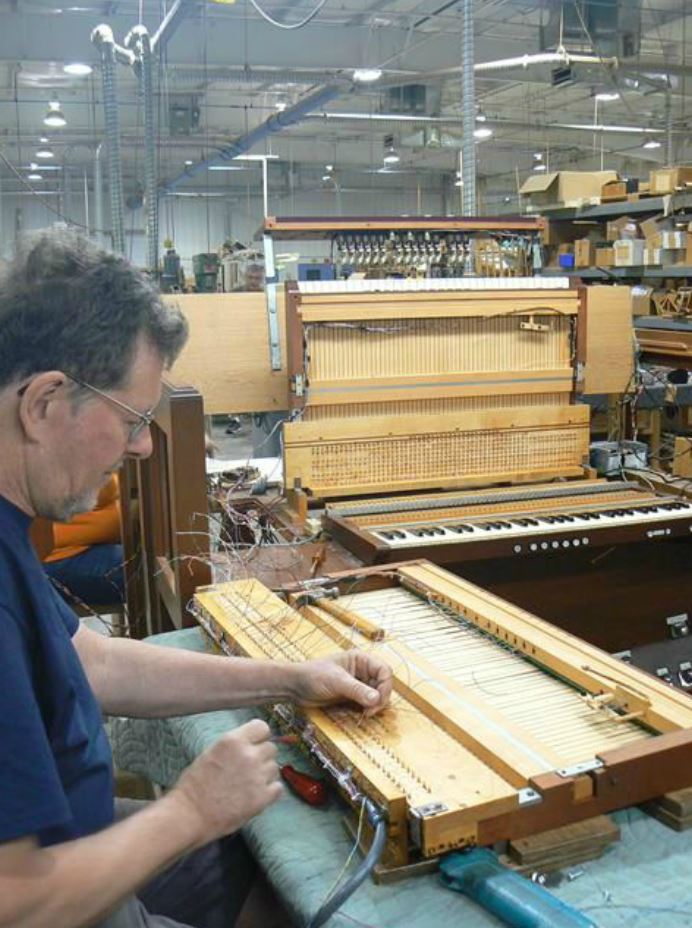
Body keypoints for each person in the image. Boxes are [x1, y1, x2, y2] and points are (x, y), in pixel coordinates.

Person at [0, 229, 393, 928]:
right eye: (132, 419)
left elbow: (88, 661)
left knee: (258, 859)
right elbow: (18, 902)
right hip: (55, 903)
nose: (143, 445)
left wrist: (293, 676)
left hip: (76, 837)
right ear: (43, 405)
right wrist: (189, 811)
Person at [43, 473, 126, 606]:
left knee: (154, 562)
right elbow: (102, 488)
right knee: (148, 569)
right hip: (50, 560)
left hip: (60, 553)